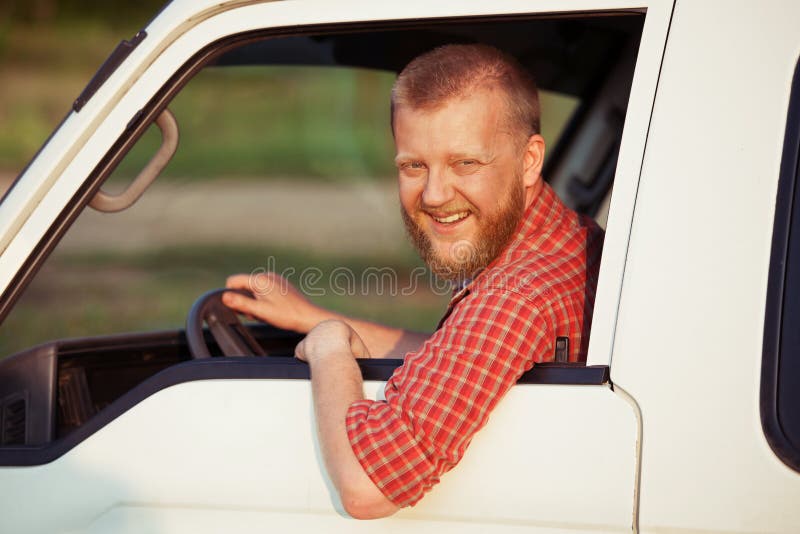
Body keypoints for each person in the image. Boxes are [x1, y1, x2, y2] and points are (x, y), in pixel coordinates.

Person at [224, 44, 604, 519]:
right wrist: (316, 318)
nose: (435, 194)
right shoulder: (563, 240)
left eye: (465, 163)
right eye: (413, 166)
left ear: (529, 161)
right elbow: (461, 351)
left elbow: (366, 488)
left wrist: (327, 348)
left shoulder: (514, 295)